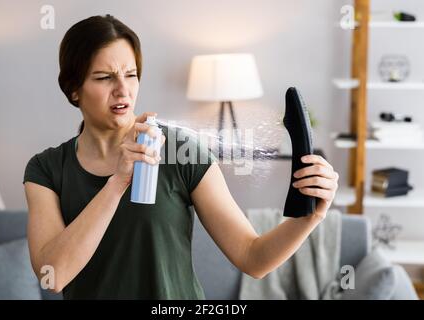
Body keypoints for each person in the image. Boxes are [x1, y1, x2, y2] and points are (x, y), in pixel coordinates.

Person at [23, 14, 339, 299]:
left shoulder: (180, 152)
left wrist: (310, 217)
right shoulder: (46, 169)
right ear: (73, 89)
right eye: (104, 77)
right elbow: (54, 276)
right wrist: (117, 182)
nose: (123, 90)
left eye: (131, 74)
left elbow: (253, 258)